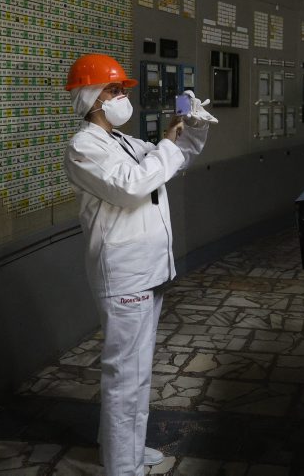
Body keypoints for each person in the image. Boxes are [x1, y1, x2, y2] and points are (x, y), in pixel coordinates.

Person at [63, 53, 217, 474]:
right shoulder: (83, 148)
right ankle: (122, 466)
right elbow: (133, 186)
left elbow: (175, 158)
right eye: (113, 90)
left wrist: (191, 124)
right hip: (124, 274)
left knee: (137, 371)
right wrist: (166, 142)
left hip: (148, 270)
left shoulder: (125, 142)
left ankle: (123, 450)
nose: (120, 97)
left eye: (121, 90)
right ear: (91, 97)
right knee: (125, 375)